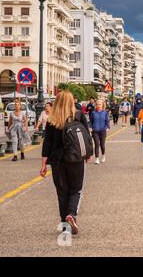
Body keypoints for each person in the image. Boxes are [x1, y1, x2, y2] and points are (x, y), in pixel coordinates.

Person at [40, 91, 90, 235]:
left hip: (57, 161)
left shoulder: (51, 119)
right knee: (76, 189)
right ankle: (71, 214)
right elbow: (86, 136)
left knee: (62, 192)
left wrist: (43, 164)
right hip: (75, 159)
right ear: (71, 101)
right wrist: (87, 154)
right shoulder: (79, 115)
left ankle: (65, 225)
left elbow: (47, 143)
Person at [89, 99, 110, 165]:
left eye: (100, 104)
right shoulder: (93, 113)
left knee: (102, 145)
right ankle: (97, 158)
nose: (98, 106)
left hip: (103, 131)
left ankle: (103, 155)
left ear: (102, 105)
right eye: (97, 104)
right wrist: (90, 127)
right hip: (95, 131)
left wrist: (108, 127)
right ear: (96, 105)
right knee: (97, 144)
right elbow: (91, 122)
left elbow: (107, 121)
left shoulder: (105, 112)